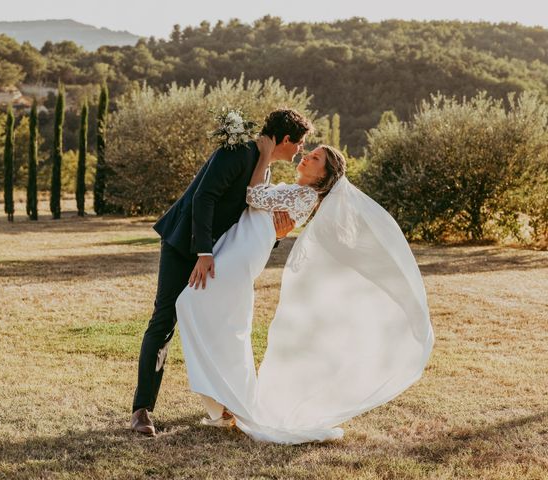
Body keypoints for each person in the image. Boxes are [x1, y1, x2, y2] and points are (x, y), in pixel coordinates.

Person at [176, 136, 435, 444]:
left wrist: (264, 154)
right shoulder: (297, 191)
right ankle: (221, 407)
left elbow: (254, 196)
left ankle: (224, 406)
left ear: (324, 176)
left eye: (315, 158)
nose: (306, 157)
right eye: (309, 153)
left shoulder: (305, 197)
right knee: (206, 317)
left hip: (238, 262)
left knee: (193, 307)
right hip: (236, 255)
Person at [131, 109, 313, 436]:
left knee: (221, 323)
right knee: (164, 320)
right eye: (299, 144)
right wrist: (202, 252)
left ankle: (223, 397)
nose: (300, 150)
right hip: (183, 244)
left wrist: (277, 235)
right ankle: (142, 410)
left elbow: (248, 225)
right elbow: (204, 198)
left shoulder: (263, 171)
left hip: (218, 255)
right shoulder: (236, 153)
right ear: (286, 139)